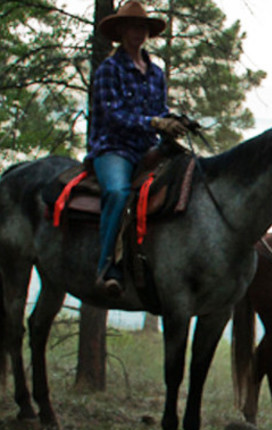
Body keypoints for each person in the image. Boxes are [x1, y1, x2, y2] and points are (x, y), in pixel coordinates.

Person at [86, 0, 188, 296]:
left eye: (142, 27)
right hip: (113, 149)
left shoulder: (155, 73)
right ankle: (106, 266)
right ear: (120, 31)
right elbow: (113, 114)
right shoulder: (109, 69)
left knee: (189, 179)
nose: (138, 32)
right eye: (132, 26)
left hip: (147, 149)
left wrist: (174, 121)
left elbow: (160, 109)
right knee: (118, 193)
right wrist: (156, 123)